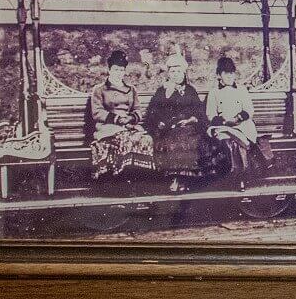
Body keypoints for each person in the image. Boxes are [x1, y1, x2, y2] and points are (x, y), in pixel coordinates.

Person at [144, 49, 212, 192]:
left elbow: (199, 111)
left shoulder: (190, 90)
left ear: (183, 73)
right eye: (173, 72)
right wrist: (161, 122)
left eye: (178, 71)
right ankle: (175, 179)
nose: (175, 74)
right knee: (173, 140)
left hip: (188, 127)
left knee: (189, 139)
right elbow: (153, 112)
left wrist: (191, 119)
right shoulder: (162, 91)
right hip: (168, 129)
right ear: (169, 74)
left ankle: (186, 179)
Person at [87, 49, 154, 181]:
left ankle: (139, 178)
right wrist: (117, 119)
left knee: (146, 139)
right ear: (109, 70)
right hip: (108, 127)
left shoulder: (131, 89)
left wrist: (130, 118)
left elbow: (137, 110)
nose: (119, 73)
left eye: (121, 70)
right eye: (116, 69)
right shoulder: (100, 89)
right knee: (126, 139)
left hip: (128, 125)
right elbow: (97, 112)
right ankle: (121, 177)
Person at [206, 56, 264, 191]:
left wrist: (237, 119)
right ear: (219, 75)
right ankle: (235, 176)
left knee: (239, 140)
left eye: (232, 73)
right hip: (223, 126)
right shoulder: (214, 92)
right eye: (226, 73)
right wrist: (224, 121)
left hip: (242, 125)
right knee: (230, 141)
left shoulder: (241, 90)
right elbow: (210, 114)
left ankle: (241, 177)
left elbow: (249, 110)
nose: (229, 76)